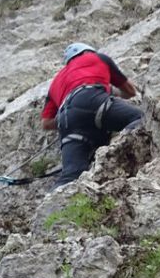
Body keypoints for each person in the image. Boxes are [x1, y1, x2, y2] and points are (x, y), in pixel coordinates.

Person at [41, 42, 143, 187]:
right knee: (141, 119)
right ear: (87, 52)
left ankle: (53, 205)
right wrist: (112, 91)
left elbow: (46, 123)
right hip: (92, 98)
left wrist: (74, 116)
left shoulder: (56, 81)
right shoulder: (97, 58)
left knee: (71, 175)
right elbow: (130, 91)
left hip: (67, 120)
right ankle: (118, 148)